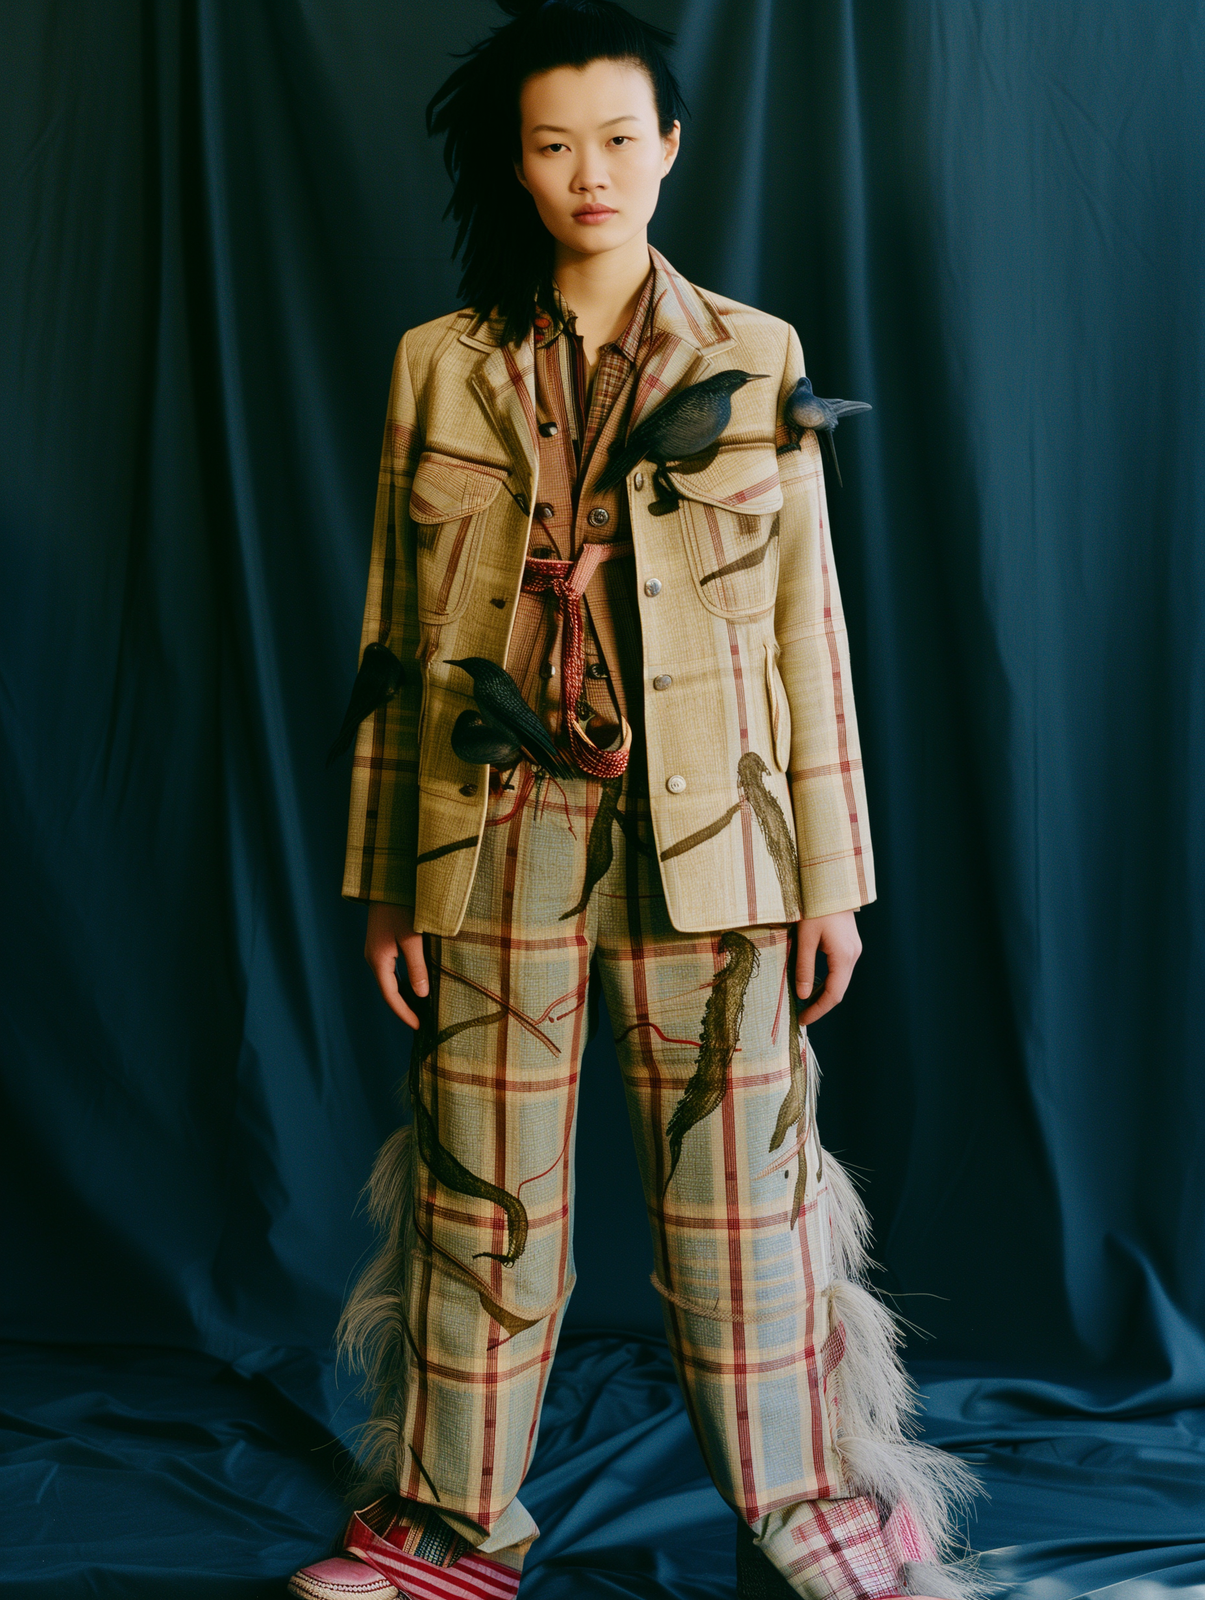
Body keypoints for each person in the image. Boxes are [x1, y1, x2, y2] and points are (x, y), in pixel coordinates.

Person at [290, 4, 979, 1598]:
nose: (588, 172)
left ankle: (815, 1524)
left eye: (617, 137)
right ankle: (446, 1540)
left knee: (745, 1204)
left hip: (715, 841)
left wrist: (835, 879)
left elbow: (808, 628)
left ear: (669, 147)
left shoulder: (759, 357)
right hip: (487, 836)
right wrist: (382, 876)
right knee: (482, 1196)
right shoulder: (437, 369)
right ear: (516, 165)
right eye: (552, 144)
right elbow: (396, 640)